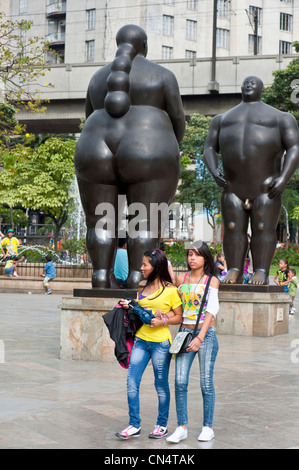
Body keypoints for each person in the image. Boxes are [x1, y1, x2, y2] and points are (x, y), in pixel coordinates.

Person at [74, 24, 185, 289]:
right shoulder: (163, 75)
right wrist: (168, 150)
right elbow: (178, 120)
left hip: (94, 146)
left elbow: (88, 115)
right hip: (148, 145)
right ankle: (137, 276)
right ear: (144, 46)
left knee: (100, 221)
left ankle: (100, 275)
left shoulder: (98, 78)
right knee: (144, 222)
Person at [203, 76, 299, 285]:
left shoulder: (281, 118)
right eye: (246, 83)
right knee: (232, 228)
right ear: (240, 88)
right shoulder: (222, 119)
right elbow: (209, 148)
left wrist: (283, 178)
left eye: (253, 83)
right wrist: (213, 169)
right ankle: (235, 268)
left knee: (263, 228)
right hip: (232, 186)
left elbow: (294, 148)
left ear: (262, 89)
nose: (249, 85)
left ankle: (262, 270)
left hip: (266, 187)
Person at [116, 249, 182, 440]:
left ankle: (161, 425)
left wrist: (163, 321)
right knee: (131, 382)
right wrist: (132, 306)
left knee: (160, 385)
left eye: (145, 264)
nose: (142, 268)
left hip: (161, 343)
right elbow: (140, 312)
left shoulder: (171, 290)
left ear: (156, 267)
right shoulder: (142, 287)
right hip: (141, 340)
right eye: (142, 264)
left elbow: (179, 316)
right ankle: (134, 425)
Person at [167, 241, 219, 444]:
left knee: (206, 382)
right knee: (180, 381)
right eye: (190, 254)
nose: (192, 258)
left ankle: (208, 427)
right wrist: (166, 314)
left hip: (205, 335)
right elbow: (178, 309)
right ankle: (181, 427)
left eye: (197, 255)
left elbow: (211, 311)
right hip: (184, 333)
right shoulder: (182, 279)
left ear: (205, 258)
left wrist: (200, 337)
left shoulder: (212, 280)